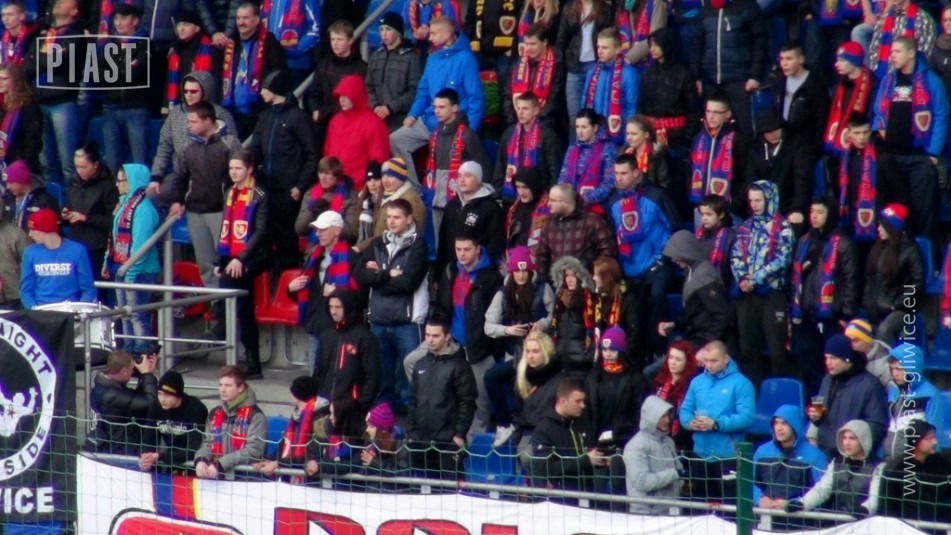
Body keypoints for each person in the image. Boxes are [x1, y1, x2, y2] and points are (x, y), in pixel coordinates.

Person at [353, 199, 429, 411]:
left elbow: (408, 283)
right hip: (378, 321)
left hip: (408, 323)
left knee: (412, 381)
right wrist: (386, 274)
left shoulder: (419, 246)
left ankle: (413, 423)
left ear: (409, 219)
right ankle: (382, 422)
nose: (391, 222)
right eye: (388, 217)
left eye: (397, 217)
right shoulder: (377, 243)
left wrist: (377, 277)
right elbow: (359, 275)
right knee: (381, 380)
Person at [390, 16, 484, 185]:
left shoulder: (466, 59)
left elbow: (475, 99)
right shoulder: (432, 57)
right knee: (397, 140)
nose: (430, 37)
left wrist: (470, 132)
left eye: (434, 34)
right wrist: (413, 114)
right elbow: (424, 91)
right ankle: (413, 189)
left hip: (455, 126)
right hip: (430, 121)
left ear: (447, 34)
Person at [873, 36, 948, 240]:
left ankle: (924, 253)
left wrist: (933, 153)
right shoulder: (889, 80)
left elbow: (941, 115)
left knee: (923, 212)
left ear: (911, 53)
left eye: (897, 51)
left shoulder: (931, 80)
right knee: (893, 209)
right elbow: (878, 110)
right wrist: (879, 129)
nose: (892, 56)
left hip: (919, 158)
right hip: (891, 156)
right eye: (891, 52)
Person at [164, 101, 243, 293]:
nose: (188, 126)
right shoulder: (188, 146)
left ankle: (230, 304)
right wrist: (177, 201)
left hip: (223, 211)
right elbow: (180, 176)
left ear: (208, 121)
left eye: (193, 122)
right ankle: (214, 302)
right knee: (205, 265)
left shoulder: (230, 143)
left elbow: (241, 176)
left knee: (225, 261)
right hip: (195, 212)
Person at [608, 153, 678, 361]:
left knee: (657, 296)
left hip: (656, 263)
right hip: (628, 267)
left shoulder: (656, 196)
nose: (619, 178)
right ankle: (635, 356)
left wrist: (663, 258)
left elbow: (675, 227)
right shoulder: (613, 201)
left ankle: (658, 351)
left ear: (636, 173)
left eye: (624, 173)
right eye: (616, 173)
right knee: (632, 311)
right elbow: (613, 235)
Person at [249, 69, 319, 275]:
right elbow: (255, 151)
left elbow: (312, 154)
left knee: (286, 238)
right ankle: (270, 281)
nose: (261, 92)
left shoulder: (298, 117)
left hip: (288, 191)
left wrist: (300, 185)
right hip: (265, 188)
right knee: (263, 236)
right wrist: (248, 170)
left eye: (265, 88)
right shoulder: (265, 116)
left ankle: (288, 281)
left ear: (276, 90)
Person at [789, 196, 860, 394]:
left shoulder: (844, 244)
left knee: (832, 371)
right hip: (805, 316)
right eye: (812, 212)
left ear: (830, 214)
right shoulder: (803, 241)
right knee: (809, 370)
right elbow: (794, 278)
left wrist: (845, 314)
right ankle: (814, 407)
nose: (814, 216)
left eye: (820, 212)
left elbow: (851, 280)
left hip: (831, 318)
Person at [435, 232, 503, 439]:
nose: (462, 254)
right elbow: (443, 305)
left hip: (480, 348)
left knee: (479, 401)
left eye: (467, 249)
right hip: (453, 343)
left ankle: (475, 448)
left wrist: (492, 351)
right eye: (458, 249)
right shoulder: (451, 271)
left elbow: (497, 316)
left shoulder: (491, 277)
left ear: (478, 249)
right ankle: (452, 442)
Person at [483, 247, 554, 443]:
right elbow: (488, 326)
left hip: (540, 353)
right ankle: (505, 424)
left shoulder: (543, 288)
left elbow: (555, 315)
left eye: (524, 271)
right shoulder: (503, 293)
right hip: (514, 353)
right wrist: (507, 330)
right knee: (492, 378)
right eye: (517, 271)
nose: (521, 275)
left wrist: (543, 324)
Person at [730, 181, 795, 387]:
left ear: (769, 199)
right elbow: (735, 255)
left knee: (777, 349)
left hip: (772, 295)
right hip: (747, 295)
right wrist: (742, 278)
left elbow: (783, 259)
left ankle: (778, 392)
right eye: (751, 200)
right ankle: (752, 392)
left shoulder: (783, 227)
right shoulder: (745, 227)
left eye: (758, 200)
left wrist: (755, 279)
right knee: (748, 350)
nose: (754, 205)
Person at [215, 150, 268, 379]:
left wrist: (240, 259)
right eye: (231, 168)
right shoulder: (230, 192)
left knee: (230, 280)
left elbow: (261, 232)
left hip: (256, 257)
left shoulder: (260, 195)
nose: (234, 172)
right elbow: (225, 228)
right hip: (234, 257)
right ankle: (253, 364)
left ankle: (221, 326)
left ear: (250, 169)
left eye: (238, 168)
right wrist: (221, 260)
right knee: (245, 310)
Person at [679, 340, 755, 501]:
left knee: (730, 505)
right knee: (700, 505)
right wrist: (689, 422)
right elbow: (685, 410)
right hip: (700, 453)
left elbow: (747, 417)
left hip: (728, 456)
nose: (708, 365)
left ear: (725, 358)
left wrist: (716, 423)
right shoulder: (697, 382)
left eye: (713, 361)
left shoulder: (741, 383)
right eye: (706, 361)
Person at [150, 71, 239, 205]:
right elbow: (164, 148)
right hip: (180, 176)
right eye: (186, 91)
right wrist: (156, 177)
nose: (189, 95)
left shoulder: (221, 115)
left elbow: (233, 152)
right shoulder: (175, 113)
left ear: (206, 91)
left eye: (193, 91)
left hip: (212, 178)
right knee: (152, 194)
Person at [408, 314, 477, 479]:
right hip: (420, 441)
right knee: (422, 491)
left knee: (449, 492)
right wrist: (411, 433)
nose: (430, 340)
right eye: (427, 335)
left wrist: (459, 435)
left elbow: (468, 403)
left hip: (447, 444)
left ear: (447, 336)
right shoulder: (420, 364)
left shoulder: (460, 366)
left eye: (435, 335)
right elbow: (413, 401)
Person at [23, 0, 84, 185]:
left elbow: (57, 64)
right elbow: (28, 65)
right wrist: (44, 59)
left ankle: (73, 199)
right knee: (47, 164)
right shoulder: (46, 34)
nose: (58, 2)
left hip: (63, 104)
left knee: (68, 163)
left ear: (74, 11)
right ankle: (53, 199)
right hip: (40, 103)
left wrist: (39, 57)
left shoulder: (76, 36)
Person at [420, 89, 491, 247]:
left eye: (442, 107)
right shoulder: (435, 134)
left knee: (459, 244)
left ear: (455, 108)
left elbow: (483, 167)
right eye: (435, 107)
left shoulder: (467, 135)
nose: (436, 111)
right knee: (440, 245)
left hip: (460, 200)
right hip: (437, 199)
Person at [290, 210, 358, 374]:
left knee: (338, 375)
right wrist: (290, 288)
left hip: (341, 330)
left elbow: (361, 297)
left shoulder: (352, 258)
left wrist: (338, 293)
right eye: (317, 230)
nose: (318, 233)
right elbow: (306, 291)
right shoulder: (314, 256)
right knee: (316, 376)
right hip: (317, 324)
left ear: (337, 231)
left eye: (323, 229)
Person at [103, 164, 160, 356]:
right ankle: (129, 352)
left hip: (139, 272)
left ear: (132, 182)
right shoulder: (123, 205)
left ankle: (142, 353)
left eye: (121, 180)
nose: (117, 184)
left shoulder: (143, 209)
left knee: (136, 314)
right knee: (124, 313)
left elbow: (140, 246)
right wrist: (108, 261)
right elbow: (114, 236)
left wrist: (130, 273)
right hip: (121, 267)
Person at [689, 0, 767, 138]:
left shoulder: (747, 6)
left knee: (745, 128)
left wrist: (755, 75)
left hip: (739, 79)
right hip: (710, 79)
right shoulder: (707, 9)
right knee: (709, 128)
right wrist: (696, 77)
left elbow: (760, 42)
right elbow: (697, 44)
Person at [584, 327, 649, 484]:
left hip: (624, 442)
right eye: (604, 349)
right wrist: (590, 443)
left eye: (612, 350)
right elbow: (587, 410)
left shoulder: (635, 377)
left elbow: (639, 411)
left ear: (622, 351)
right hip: (598, 443)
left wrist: (630, 439)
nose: (607, 354)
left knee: (618, 487)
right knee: (598, 490)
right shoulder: (593, 375)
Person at [809, 334, 888, 459]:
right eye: (826, 358)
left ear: (847, 359)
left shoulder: (869, 384)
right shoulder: (827, 380)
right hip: (825, 452)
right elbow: (824, 416)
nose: (828, 362)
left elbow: (877, 424)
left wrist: (854, 443)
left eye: (833, 358)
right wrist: (816, 418)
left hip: (854, 457)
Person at [786, 420, 884, 517]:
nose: (847, 443)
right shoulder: (837, 463)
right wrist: (802, 503)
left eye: (852, 438)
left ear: (863, 440)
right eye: (844, 438)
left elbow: (874, 499)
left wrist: (864, 510)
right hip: (838, 520)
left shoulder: (878, 466)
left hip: (865, 522)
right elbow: (822, 490)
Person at [97, 3, 151, 174]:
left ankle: (140, 192)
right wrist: (125, 68)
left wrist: (115, 70)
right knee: (112, 163)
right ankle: (115, 192)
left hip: (136, 109)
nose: (118, 23)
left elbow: (135, 74)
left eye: (124, 18)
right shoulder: (109, 44)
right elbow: (99, 74)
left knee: (139, 162)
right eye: (116, 18)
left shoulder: (145, 44)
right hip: (110, 108)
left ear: (135, 21)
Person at [752, 405, 828, 524]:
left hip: (801, 522)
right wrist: (759, 498)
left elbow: (821, 491)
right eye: (776, 423)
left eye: (784, 423)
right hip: (765, 519)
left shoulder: (815, 456)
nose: (779, 428)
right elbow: (749, 482)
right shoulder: (762, 451)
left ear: (795, 425)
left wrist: (794, 503)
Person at [221, 1, 287, 137]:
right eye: (238, 18)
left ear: (257, 20)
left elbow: (279, 72)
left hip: (259, 113)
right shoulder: (231, 44)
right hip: (234, 114)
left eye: (246, 18)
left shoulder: (270, 42)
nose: (241, 22)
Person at [658, 230, 732, 350]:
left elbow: (722, 314)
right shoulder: (691, 272)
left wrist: (706, 346)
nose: (673, 260)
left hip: (704, 342)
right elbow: (693, 310)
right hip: (696, 336)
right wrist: (674, 324)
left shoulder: (703, 275)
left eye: (676, 254)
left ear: (685, 251)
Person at [862, 204, 923, 345]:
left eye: (882, 226)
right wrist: (867, 302)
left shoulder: (910, 250)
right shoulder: (878, 247)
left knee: (884, 329)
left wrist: (896, 304)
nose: (878, 229)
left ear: (892, 227)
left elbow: (917, 283)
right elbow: (869, 279)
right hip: (875, 306)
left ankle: (887, 359)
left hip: (900, 309)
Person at [744, 107, 816, 225]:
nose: (773, 134)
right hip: (761, 208)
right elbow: (750, 180)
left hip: (789, 207)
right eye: (768, 131)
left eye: (776, 129)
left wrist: (797, 209)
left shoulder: (798, 146)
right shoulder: (755, 150)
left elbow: (803, 180)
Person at [529, 377, 604, 490]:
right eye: (578, 401)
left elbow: (591, 454)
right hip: (562, 496)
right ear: (563, 401)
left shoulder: (585, 423)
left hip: (588, 492)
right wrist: (586, 460)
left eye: (583, 401)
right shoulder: (544, 429)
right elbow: (545, 468)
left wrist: (600, 459)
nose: (583, 405)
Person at [194, 366, 268, 479]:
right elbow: (207, 443)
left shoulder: (255, 416)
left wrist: (222, 464)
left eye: (228, 385)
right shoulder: (215, 413)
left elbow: (254, 450)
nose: (222, 390)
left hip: (245, 479)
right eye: (220, 385)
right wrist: (201, 460)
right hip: (216, 477)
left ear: (240, 388)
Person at [64, 143, 119, 290]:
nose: (80, 171)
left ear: (95, 165)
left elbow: (113, 221)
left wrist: (86, 218)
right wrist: (65, 215)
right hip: (74, 245)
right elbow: (68, 208)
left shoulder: (108, 186)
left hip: (96, 249)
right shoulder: (73, 183)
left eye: (84, 167)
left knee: (96, 290)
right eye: (77, 167)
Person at [535, 183, 617, 282]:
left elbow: (608, 251)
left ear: (565, 203)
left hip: (585, 283)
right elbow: (542, 254)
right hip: (558, 285)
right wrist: (545, 279)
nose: (548, 203)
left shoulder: (592, 221)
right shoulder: (549, 223)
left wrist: (589, 267)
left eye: (552, 200)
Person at [315, 289, 381, 411]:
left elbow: (373, 377)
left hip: (351, 407)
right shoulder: (326, 335)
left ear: (348, 307)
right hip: (325, 404)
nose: (333, 311)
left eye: (338, 307)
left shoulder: (365, 337)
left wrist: (360, 405)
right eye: (330, 307)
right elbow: (318, 372)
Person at [554, 0, 614, 132]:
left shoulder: (605, 10)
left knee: (596, 116)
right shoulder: (569, 8)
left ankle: (596, 145)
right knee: (574, 119)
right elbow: (561, 39)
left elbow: (609, 39)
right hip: (574, 68)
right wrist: (563, 60)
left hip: (597, 67)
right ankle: (574, 145)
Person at [436, 161, 504, 276]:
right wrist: (437, 276)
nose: (462, 180)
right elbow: (443, 241)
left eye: (468, 175)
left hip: (478, 273)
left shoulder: (490, 208)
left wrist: (485, 271)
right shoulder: (451, 205)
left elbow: (495, 244)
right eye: (459, 175)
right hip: (450, 272)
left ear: (478, 180)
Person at [493, 91, 562, 204]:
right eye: (518, 108)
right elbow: (500, 166)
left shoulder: (547, 135)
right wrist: (497, 194)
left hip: (539, 197)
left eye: (525, 109)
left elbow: (554, 170)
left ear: (536, 110)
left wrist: (551, 199)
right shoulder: (509, 133)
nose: (520, 113)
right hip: (510, 196)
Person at [877, 419, 951, 524]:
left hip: (940, 526)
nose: (935, 442)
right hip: (906, 528)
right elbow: (886, 507)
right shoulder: (894, 469)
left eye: (934, 437)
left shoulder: (943, 464)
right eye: (929, 438)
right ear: (915, 441)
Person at [20, 208, 96, 308]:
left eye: (33, 230)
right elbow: (25, 291)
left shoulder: (77, 250)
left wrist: (79, 310)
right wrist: (34, 310)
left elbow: (89, 289)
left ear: (45, 229)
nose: (30, 234)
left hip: (70, 309)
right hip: (41, 310)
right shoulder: (29, 252)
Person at [638, 27, 698, 153]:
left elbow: (693, 111)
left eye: (656, 44)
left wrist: (687, 140)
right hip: (650, 136)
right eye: (651, 44)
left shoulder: (683, 75)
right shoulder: (648, 73)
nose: (652, 48)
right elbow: (640, 107)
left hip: (677, 139)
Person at [252, 376, 323, 482]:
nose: (290, 395)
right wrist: (268, 460)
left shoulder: (318, 420)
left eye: (292, 392)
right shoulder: (297, 416)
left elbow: (310, 453)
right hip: (291, 471)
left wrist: (279, 463)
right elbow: (284, 444)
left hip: (308, 479)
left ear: (299, 394)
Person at [87, 350, 158, 454]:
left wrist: (145, 375)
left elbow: (136, 400)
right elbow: (150, 404)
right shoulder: (111, 395)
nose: (133, 372)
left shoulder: (104, 386)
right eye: (132, 369)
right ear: (124, 371)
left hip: (118, 446)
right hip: (121, 450)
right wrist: (147, 374)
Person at [306, 19, 367, 141]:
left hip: (349, 125)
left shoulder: (361, 68)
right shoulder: (324, 64)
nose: (335, 44)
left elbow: (358, 102)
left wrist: (324, 112)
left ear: (350, 41)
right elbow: (313, 94)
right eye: (332, 39)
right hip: (323, 124)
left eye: (339, 39)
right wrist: (315, 110)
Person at [623, 395, 683, 515]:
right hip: (647, 514)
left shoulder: (668, 442)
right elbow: (642, 481)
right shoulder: (635, 446)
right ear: (651, 418)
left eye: (668, 415)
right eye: (662, 416)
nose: (667, 420)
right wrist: (674, 474)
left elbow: (679, 470)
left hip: (672, 510)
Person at [883, 343, 945, 460]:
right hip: (891, 460)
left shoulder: (930, 394)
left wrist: (931, 462)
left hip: (917, 463)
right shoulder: (893, 391)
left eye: (899, 369)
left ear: (912, 368)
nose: (895, 374)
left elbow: (934, 433)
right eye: (892, 369)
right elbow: (889, 426)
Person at [139, 370, 209, 473]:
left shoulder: (195, 408)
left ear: (178, 395)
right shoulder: (156, 406)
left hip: (195, 464)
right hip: (170, 458)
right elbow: (148, 437)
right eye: (159, 394)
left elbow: (194, 448)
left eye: (167, 395)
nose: (162, 399)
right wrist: (145, 456)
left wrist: (159, 457)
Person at [581, 28, 639, 146]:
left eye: (605, 48)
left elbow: (632, 111)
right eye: (598, 47)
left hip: (618, 139)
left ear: (617, 49)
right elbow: (584, 107)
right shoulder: (592, 72)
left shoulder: (630, 74)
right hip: (595, 139)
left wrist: (627, 143)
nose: (600, 51)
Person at [767, 41, 830, 151]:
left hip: (805, 145)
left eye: (789, 59)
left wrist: (815, 148)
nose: (784, 64)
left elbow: (821, 121)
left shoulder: (815, 85)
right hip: (782, 142)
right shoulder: (779, 81)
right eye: (782, 59)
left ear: (801, 59)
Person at [365, 12, 421, 132]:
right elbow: (368, 86)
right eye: (381, 29)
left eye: (388, 29)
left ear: (398, 32)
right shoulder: (375, 56)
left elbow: (413, 91)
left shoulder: (411, 58)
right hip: (375, 118)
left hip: (399, 121)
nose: (384, 33)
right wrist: (375, 106)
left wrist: (390, 108)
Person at [689, 95, 744, 215]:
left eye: (716, 112)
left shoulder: (736, 139)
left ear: (728, 114)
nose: (711, 116)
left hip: (726, 208)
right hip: (700, 206)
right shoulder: (698, 137)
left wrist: (735, 203)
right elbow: (690, 170)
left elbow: (744, 174)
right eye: (708, 111)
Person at [505, 23, 565, 127]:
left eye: (533, 44)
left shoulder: (556, 63)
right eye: (526, 44)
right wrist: (511, 117)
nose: (528, 48)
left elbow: (554, 99)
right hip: (517, 117)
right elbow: (507, 93)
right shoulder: (518, 62)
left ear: (544, 42)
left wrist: (535, 119)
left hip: (545, 119)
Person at [557, 108, 616, 210]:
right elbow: (563, 176)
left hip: (597, 206)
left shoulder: (608, 148)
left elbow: (609, 184)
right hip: (570, 204)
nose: (579, 131)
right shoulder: (572, 148)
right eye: (577, 127)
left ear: (595, 127)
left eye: (584, 127)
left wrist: (582, 200)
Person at [295, 156, 360, 246]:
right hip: (314, 248)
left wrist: (328, 215)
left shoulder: (350, 197)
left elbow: (351, 232)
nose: (323, 177)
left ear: (337, 175)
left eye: (328, 173)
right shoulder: (310, 195)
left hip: (340, 248)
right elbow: (299, 229)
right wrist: (312, 213)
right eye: (320, 173)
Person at [165, 11, 224, 108]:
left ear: (197, 28)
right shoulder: (175, 51)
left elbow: (216, 84)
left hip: (204, 108)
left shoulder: (212, 50)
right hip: (179, 106)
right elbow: (168, 83)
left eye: (186, 25)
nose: (181, 29)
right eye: (179, 25)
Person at [824, 42, 875, 152]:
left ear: (854, 61)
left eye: (842, 61)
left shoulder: (872, 84)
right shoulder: (840, 85)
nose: (836, 64)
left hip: (863, 146)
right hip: (838, 146)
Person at [837, 113, 879, 244]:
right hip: (850, 216)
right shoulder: (845, 156)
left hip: (874, 220)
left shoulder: (880, 156)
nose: (862, 137)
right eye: (857, 133)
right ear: (849, 133)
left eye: (865, 132)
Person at [866, 0, 937, 79]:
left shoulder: (923, 20)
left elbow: (925, 55)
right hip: (882, 77)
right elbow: (874, 48)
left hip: (912, 78)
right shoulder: (883, 18)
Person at [550, 256, 597, 373]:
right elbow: (554, 329)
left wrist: (586, 358)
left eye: (573, 275)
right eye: (567, 276)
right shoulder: (560, 299)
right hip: (560, 364)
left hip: (581, 365)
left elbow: (594, 332)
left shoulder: (589, 300)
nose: (569, 280)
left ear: (581, 277)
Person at [365, 157, 426, 241]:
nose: (385, 180)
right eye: (383, 176)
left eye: (390, 176)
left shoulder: (410, 200)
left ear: (401, 178)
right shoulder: (385, 196)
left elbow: (414, 236)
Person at [653, 341, 698, 452]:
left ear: (687, 362)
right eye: (671, 357)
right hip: (658, 439)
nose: (673, 362)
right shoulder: (660, 382)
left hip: (682, 444)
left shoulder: (692, 385)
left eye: (678, 359)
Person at [591, 257, 637, 358]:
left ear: (606, 278)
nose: (593, 278)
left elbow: (633, 335)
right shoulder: (600, 298)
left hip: (622, 359)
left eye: (597, 275)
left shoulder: (627, 300)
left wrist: (624, 359)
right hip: (602, 358)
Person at [0, 62, 41, 174]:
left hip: (21, 167)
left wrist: (23, 168)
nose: (0, 82)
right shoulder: (2, 105)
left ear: (15, 81)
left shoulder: (27, 107)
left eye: (4, 79)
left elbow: (32, 142)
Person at [1, 160, 59, 232]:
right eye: (6, 183)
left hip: (32, 237)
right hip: (9, 237)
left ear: (22, 180)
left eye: (11, 182)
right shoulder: (6, 198)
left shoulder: (44, 201)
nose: (7, 187)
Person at [695, 194, 737, 289]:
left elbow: (732, 270)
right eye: (702, 214)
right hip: (698, 284)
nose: (704, 218)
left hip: (720, 286)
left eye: (709, 214)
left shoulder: (731, 237)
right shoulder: (699, 234)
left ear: (721, 214)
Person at [505, 167, 550, 253]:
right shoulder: (514, 208)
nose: (521, 192)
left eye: (525, 187)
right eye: (518, 187)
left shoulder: (548, 208)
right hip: (514, 257)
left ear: (534, 186)